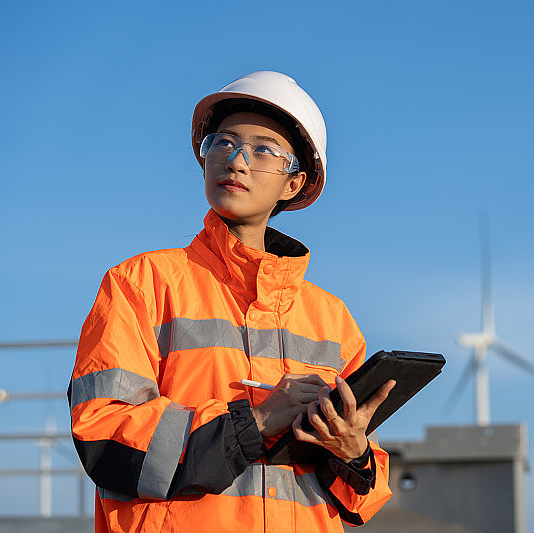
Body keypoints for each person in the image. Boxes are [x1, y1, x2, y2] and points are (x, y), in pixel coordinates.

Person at [68, 71, 395, 533]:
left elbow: (366, 497)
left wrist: (353, 453)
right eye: (223, 143)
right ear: (204, 160)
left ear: (293, 183)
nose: (237, 160)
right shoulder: (140, 284)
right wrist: (257, 421)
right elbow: (104, 435)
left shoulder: (333, 320)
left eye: (263, 149)